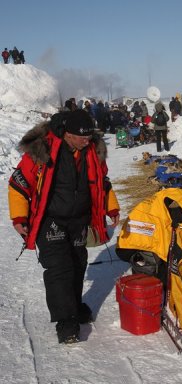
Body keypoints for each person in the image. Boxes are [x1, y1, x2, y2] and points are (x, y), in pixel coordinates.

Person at [8, 110, 120, 344]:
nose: (87, 141)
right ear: (67, 134)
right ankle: (66, 321)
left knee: (78, 263)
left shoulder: (92, 149)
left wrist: (112, 208)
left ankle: (75, 306)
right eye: (82, 137)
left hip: (79, 219)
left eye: (89, 137)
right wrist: (19, 218)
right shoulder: (43, 148)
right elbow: (19, 182)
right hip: (50, 219)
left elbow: (102, 182)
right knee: (59, 267)